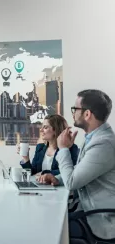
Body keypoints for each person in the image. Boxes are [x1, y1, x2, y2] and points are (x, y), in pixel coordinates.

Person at [38, 89, 115, 240]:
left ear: (87, 114)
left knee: (45, 228)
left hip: (100, 220)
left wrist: (63, 149)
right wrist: (57, 178)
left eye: (75, 109)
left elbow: (72, 182)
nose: (72, 112)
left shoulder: (103, 144)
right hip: (86, 210)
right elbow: (78, 172)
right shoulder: (94, 138)